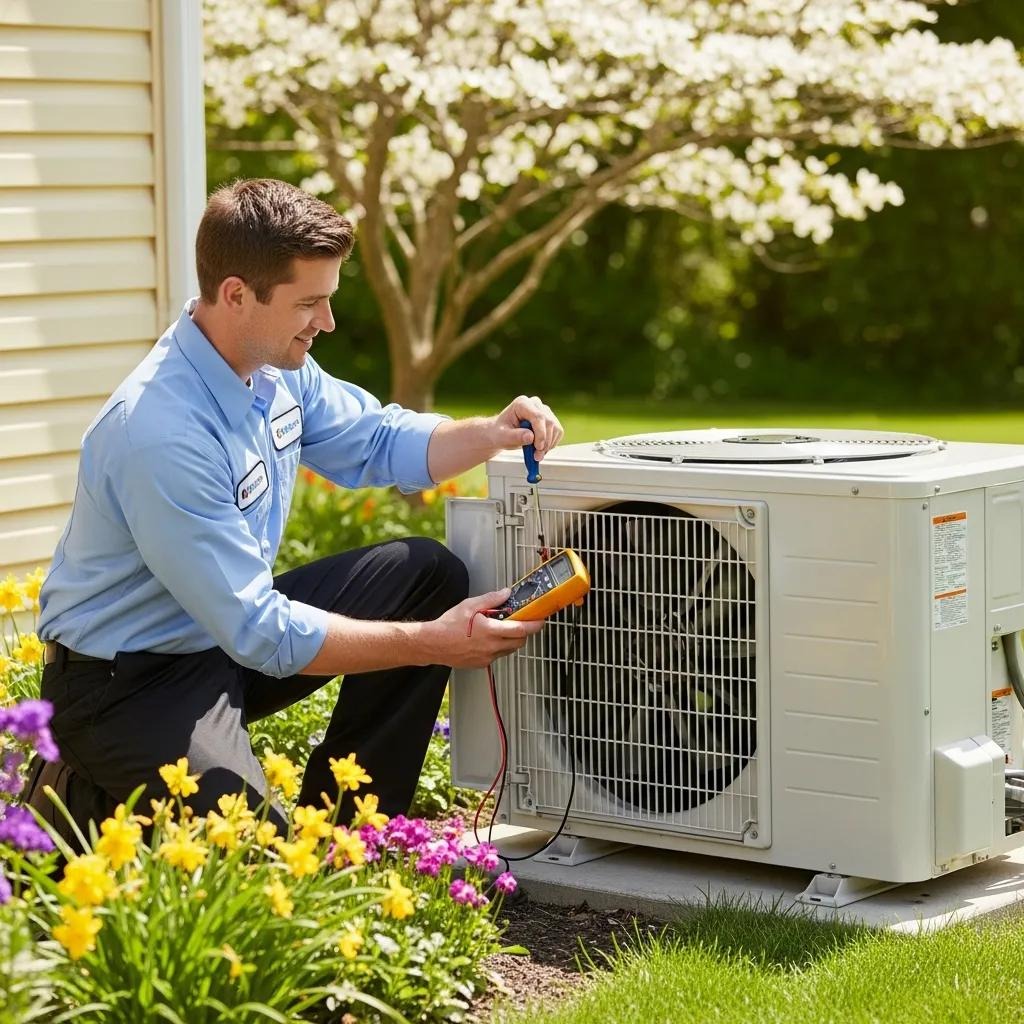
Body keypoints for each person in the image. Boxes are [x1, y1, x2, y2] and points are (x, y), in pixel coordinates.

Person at [30, 178, 562, 836]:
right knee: (257, 856)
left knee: (425, 575)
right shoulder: (161, 433)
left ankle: (349, 841)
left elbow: (379, 441)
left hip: (221, 637)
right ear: (236, 295)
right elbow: (260, 630)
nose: (327, 322)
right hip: (125, 684)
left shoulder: (276, 367)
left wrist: (492, 432)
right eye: (309, 303)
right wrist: (435, 643)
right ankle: (82, 788)